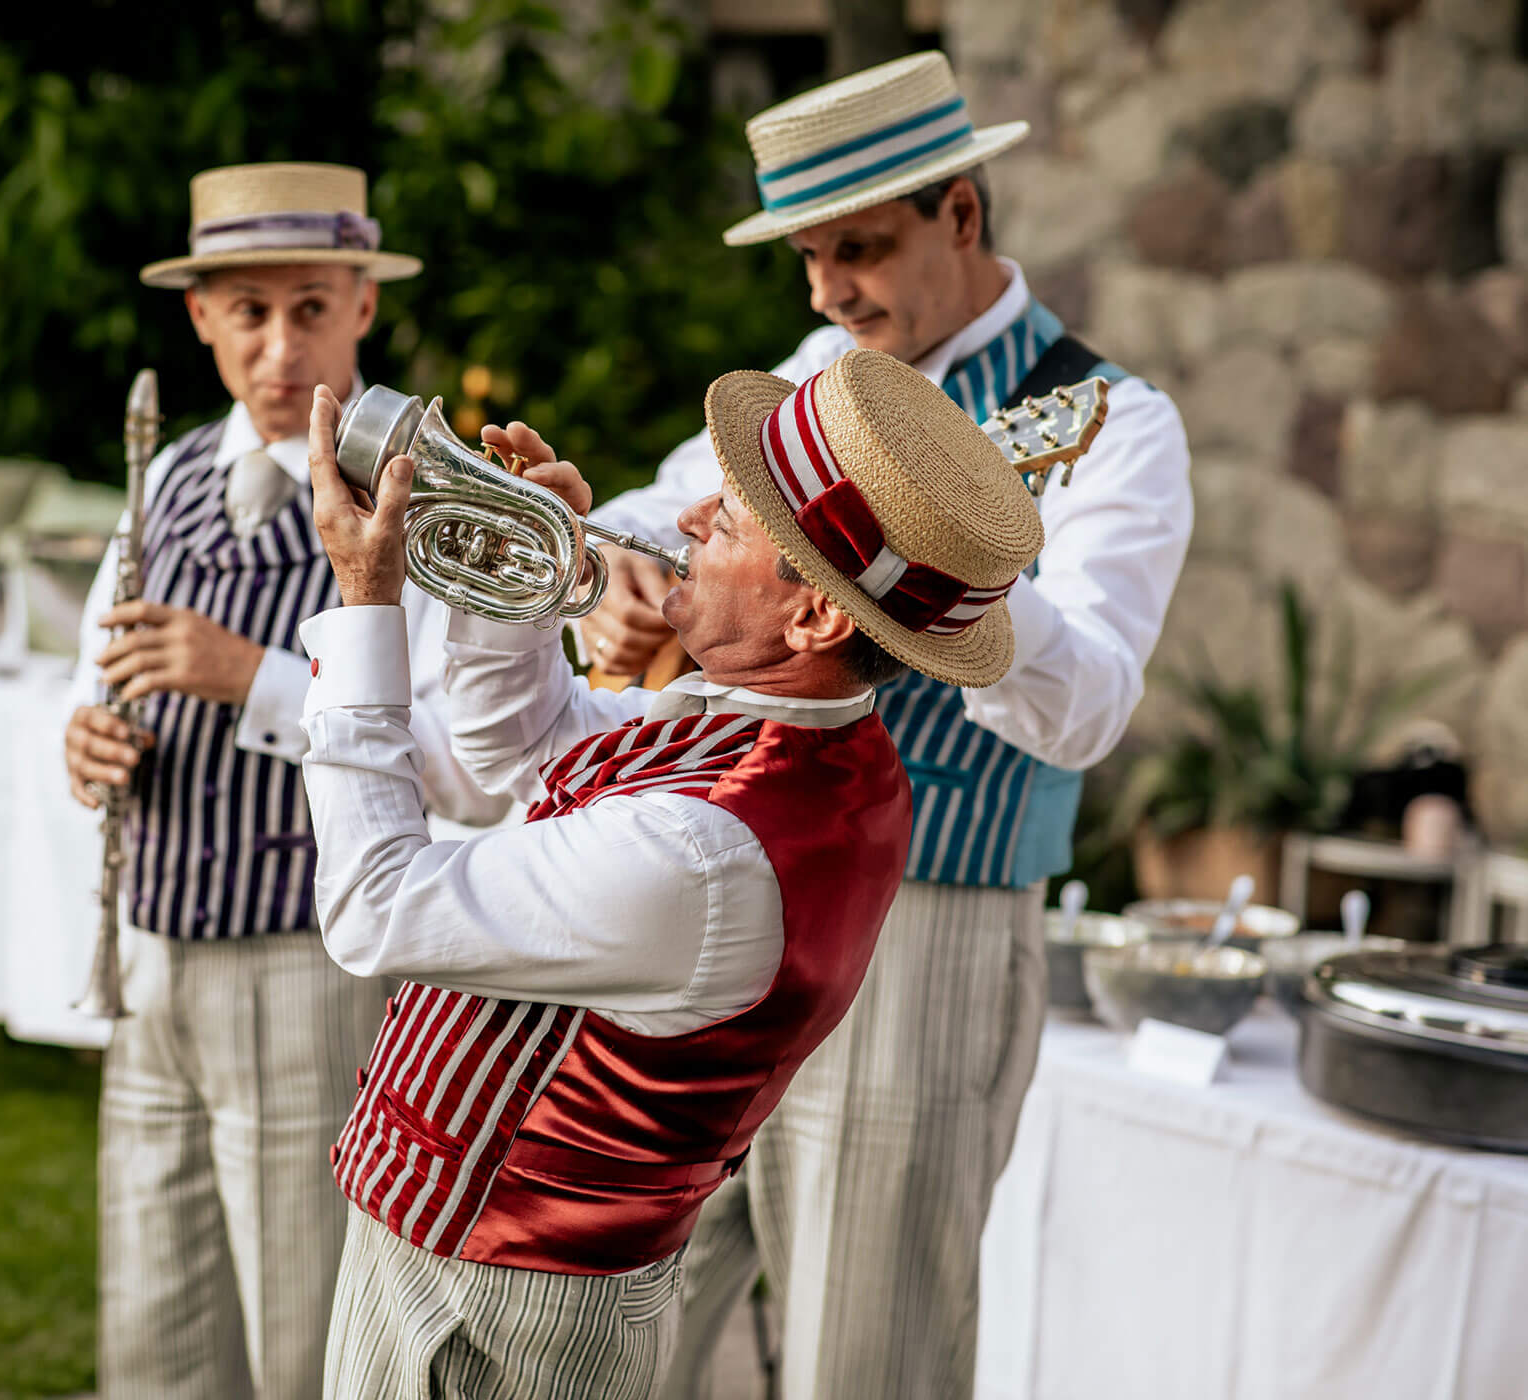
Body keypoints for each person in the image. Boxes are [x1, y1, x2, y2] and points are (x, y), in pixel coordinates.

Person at [578, 53, 1195, 1399]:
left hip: (932, 919)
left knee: (871, 1354)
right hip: (727, 899)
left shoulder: (1119, 426)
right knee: (613, 1321)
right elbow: (655, 510)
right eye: (806, 256)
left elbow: (1088, 707)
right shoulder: (823, 365)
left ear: (961, 217)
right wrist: (621, 582)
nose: (824, 291)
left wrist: (946, 563)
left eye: (857, 248)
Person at [293, 344, 1047, 1400]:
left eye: (731, 519)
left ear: (817, 616)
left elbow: (373, 907)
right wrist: (514, 579)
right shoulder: (797, 741)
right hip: (475, 1262)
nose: (689, 518)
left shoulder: (712, 850)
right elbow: (538, 753)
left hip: (498, 1301)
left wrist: (365, 604)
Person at [61, 161, 504, 1400]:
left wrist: (254, 675)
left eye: (309, 307)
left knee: (310, 1322)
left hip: (308, 966)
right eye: (246, 312)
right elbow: (94, 666)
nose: (278, 345)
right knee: (155, 1318)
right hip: (157, 953)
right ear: (199, 315)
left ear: (364, 303)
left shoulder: (431, 493)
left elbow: (471, 773)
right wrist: (80, 742)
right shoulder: (169, 479)